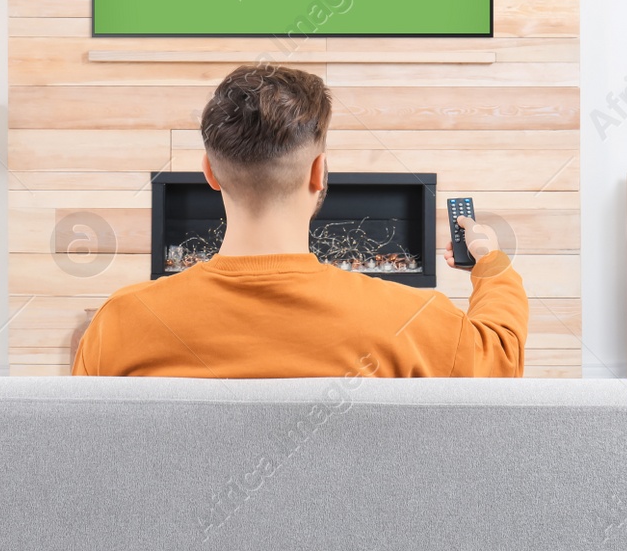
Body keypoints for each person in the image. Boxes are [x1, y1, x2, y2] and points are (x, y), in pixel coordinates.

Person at [71, 64, 527, 377]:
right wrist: (490, 263)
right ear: (319, 173)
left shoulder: (119, 323)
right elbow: (502, 358)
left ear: (209, 172)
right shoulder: (415, 320)